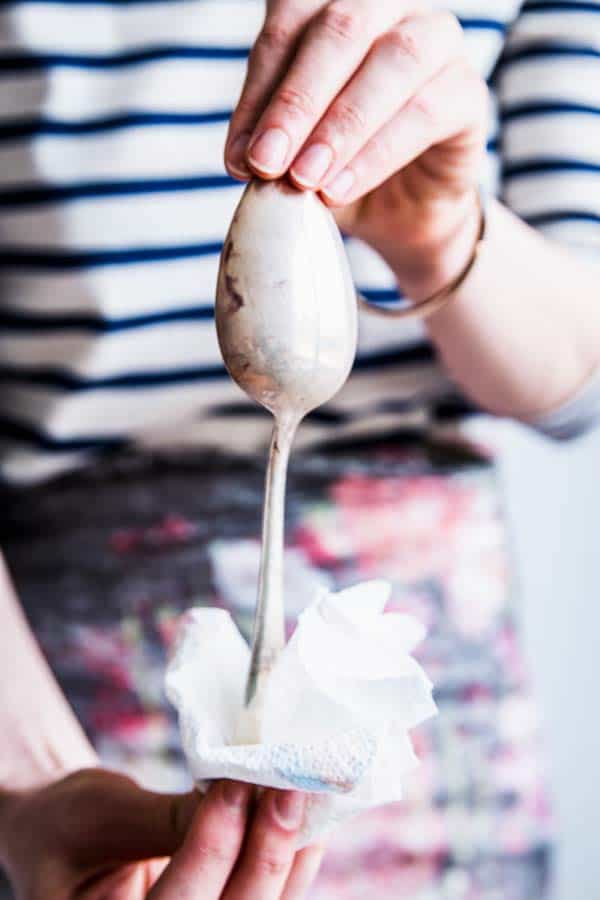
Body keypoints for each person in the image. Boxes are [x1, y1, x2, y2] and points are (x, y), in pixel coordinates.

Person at [1, 0, 599, 897]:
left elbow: (578, 377)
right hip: (53, 692)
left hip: (442, 767)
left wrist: (437, 233)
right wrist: (31, 783)